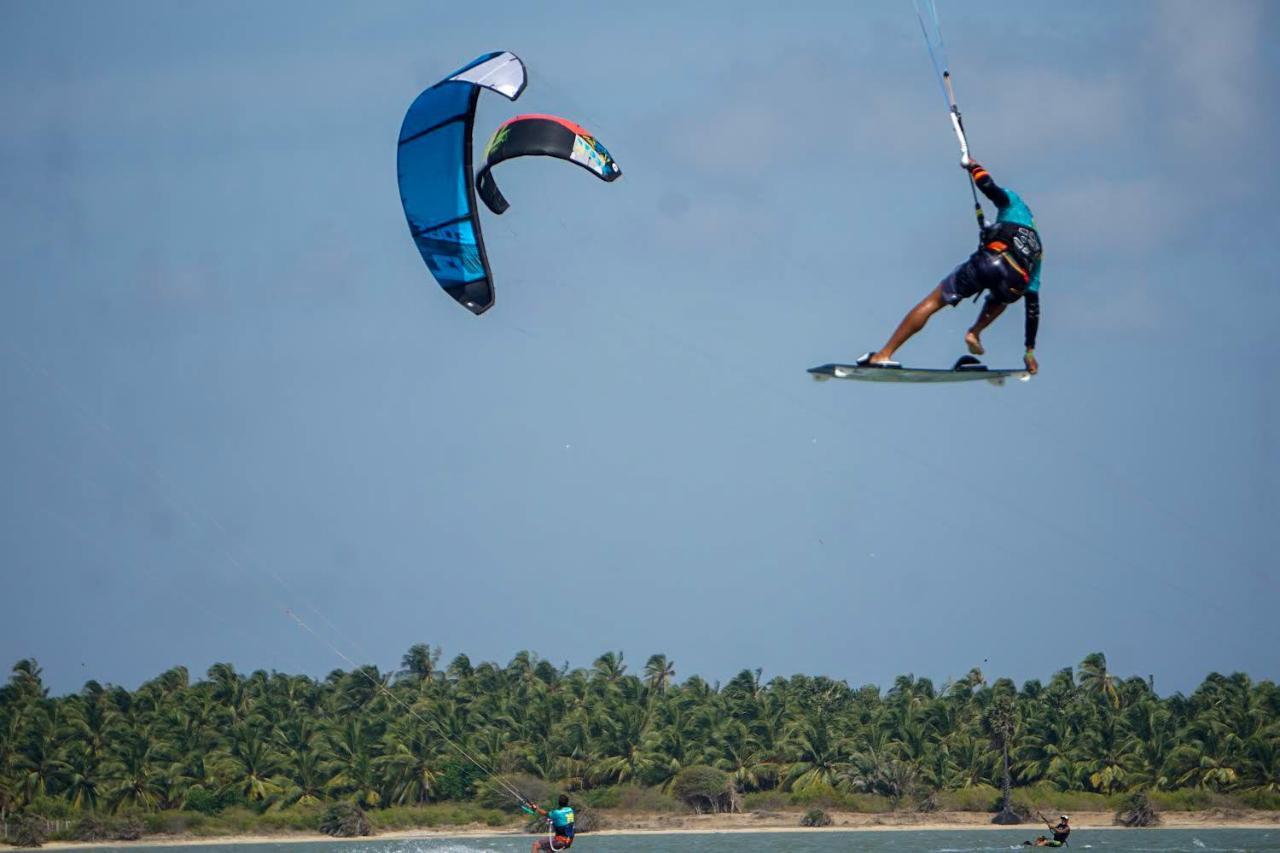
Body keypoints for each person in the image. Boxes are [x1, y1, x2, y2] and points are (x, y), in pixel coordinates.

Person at [861, 159, 1042, 374]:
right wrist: (1029, 351)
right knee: (1003, 296)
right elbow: (1033, 306)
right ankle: (974, 332)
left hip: (988, 262)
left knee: (933, 302)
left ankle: (883, 355)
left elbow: (989, 187)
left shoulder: (1014, 203)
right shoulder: (1038, 248)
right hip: (1013, 282)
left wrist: (974, 167)